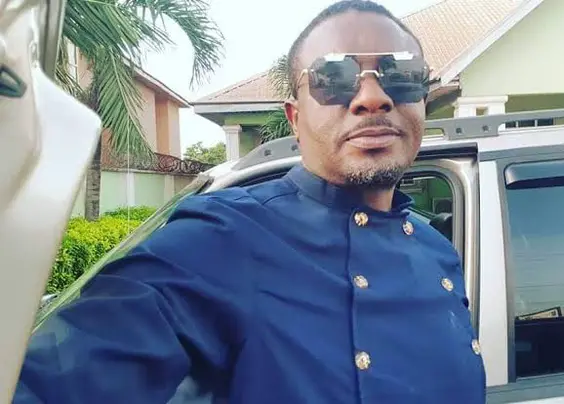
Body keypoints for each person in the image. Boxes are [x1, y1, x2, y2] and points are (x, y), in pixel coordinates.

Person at [14, 1, 487, 402]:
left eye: (400, 74)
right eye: (334, 77)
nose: (372, 97)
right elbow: (59, 377)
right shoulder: (223, 238)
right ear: (295, 118)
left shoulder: (436, 249)